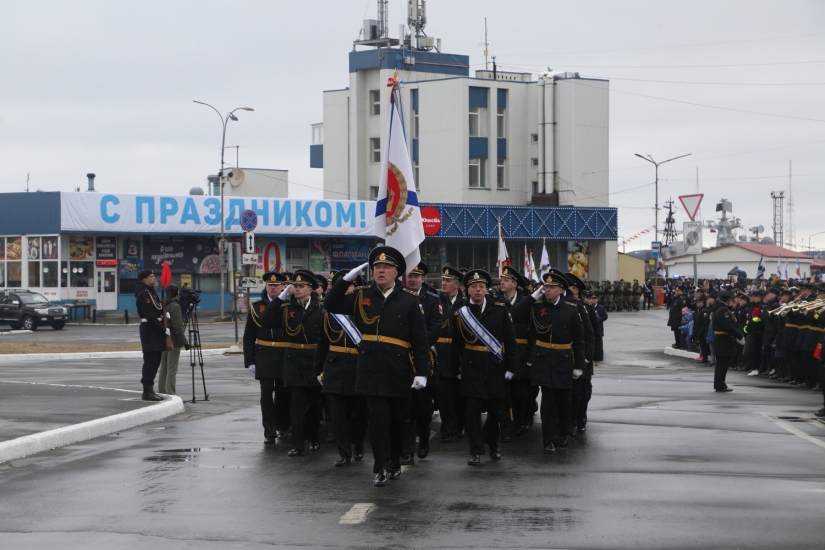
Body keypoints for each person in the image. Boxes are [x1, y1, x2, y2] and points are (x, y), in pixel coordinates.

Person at [323, 247, 430, 487]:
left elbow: (420, 340)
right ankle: (380, 466)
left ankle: (393, 462)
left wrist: (423, 372)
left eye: (386, 268)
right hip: (370, 367)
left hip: (399, 368)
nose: (381, 271)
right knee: (377, 419)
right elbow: (330, 304)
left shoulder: (409, 300)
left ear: (396, 273)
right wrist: (346, 279)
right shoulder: (361, 295)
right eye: (377, 268)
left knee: (398, 420)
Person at [511, 271, 586, 454]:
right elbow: (515, 314)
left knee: (563, 401)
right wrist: (533, 295)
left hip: (563, 360)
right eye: (546, 287)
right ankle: (548, 439)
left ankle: (563, 433)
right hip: (542, 359)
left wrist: (579, 366)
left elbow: (579, 339)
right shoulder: (536, 306)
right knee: (548, 402)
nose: (548, 290)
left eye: (552, 287)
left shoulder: (570, 309)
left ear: (561, 290)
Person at [451, 269, 517, 465]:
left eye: (481, 287)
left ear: (487, 289)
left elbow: (510, 341)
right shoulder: (459, 313)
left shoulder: (500, 309)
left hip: (495, 366)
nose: (478, 290)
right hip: (471, 368)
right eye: (473, 287)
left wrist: (511, 367)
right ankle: (476, 449)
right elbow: (455, 345)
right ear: (467, 290)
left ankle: (492, 442)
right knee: (472, 411)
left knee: (496, 411)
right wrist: (456, 370)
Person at [261, 270, 323, 456]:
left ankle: (312, 437)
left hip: (313, 359)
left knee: (315, 403)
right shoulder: (287, 308)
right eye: (295, 286)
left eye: (301, 286)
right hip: (293, 359)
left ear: (310, 289)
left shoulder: (320, 308)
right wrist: (280, 298)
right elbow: (265, 321)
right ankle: (297, 444)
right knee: (295, 403)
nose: (297, 289)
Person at [314, 269, 368, 466]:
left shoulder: (364, 312)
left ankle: (358, 445)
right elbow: (322, 345)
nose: (346, 290)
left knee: (359, 413)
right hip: (335, 368)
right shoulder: (328, 315)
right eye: (341, 286)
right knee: (337, 415)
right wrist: (317, 370)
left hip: (358, 368)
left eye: (350, 286)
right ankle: (344, 452)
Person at [401, 262, 443, 465]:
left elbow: (437, 325)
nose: (413, 279)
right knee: (405, 408)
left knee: (423, 408)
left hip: (424, 359)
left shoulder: (433, 300)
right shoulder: (398, 297)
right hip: (401, 359)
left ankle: (424, 438)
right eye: (410, 275)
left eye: (417, 276)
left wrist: (419, 342)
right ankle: (407, 450)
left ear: (423, 279)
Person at [243, 271, 291, 444]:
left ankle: (283, 425)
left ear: (282, 287)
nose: (272, 287)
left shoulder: (288, 306)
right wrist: (249, 360)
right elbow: (249, 335)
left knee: (283, 393)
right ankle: (269, 431)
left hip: (283, 354)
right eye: (270, 285)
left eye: (276, 285)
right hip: (263, 355)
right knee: (266, 393)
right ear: (266, 286)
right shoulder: (256, 308)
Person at [497, 265, 533, 440]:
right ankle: (506, 427)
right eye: (501, 280)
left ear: (514, 283)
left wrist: (532, 356)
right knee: (504, 395)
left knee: (521, 394)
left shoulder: (526, 302)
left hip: (522, 354)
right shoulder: (495, 299)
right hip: (501, 354)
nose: (501, 282)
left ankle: (521, 421)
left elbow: (534, 330)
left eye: (505, 280)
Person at [435, 266, 466, 443]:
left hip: (459, 355)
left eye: (447, 281)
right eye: (443, 280)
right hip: (441, 353)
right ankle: (447, 428)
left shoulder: (465, 303)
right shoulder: (436, 301)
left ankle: (461, 425)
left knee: (460, 394)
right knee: (444, 395)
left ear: (456, 285)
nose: (444, 284)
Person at [135, 269, 167, 401]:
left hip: (154, 329)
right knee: (151, 361)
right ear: (144, 279)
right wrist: (162, 329)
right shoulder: (144, 294)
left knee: (156, 360)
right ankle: (147, 391)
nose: (154, 278)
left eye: (154, 276)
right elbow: (150, 315)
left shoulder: (151, 292)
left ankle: (150, 390)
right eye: (151, 276)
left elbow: (157, 311)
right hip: (150, 329)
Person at [709, 290, 745, 392]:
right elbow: (728, 326)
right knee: (722, 364)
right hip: (723, 340)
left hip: (722, 339)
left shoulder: (720, 309)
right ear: (728, 300)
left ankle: (720, 384)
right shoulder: (722, 310)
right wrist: (739, 336)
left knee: (722, 363)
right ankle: (720, 385)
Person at [158, 284, 187, 395]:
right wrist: (185, 343)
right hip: (173, 340)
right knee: (172, 369)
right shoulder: (175, 306)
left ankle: (162, 391)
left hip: (163, 338)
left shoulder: (162, 303)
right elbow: (178, 327)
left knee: (163, 368)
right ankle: (171, 393)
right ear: (176, 293)